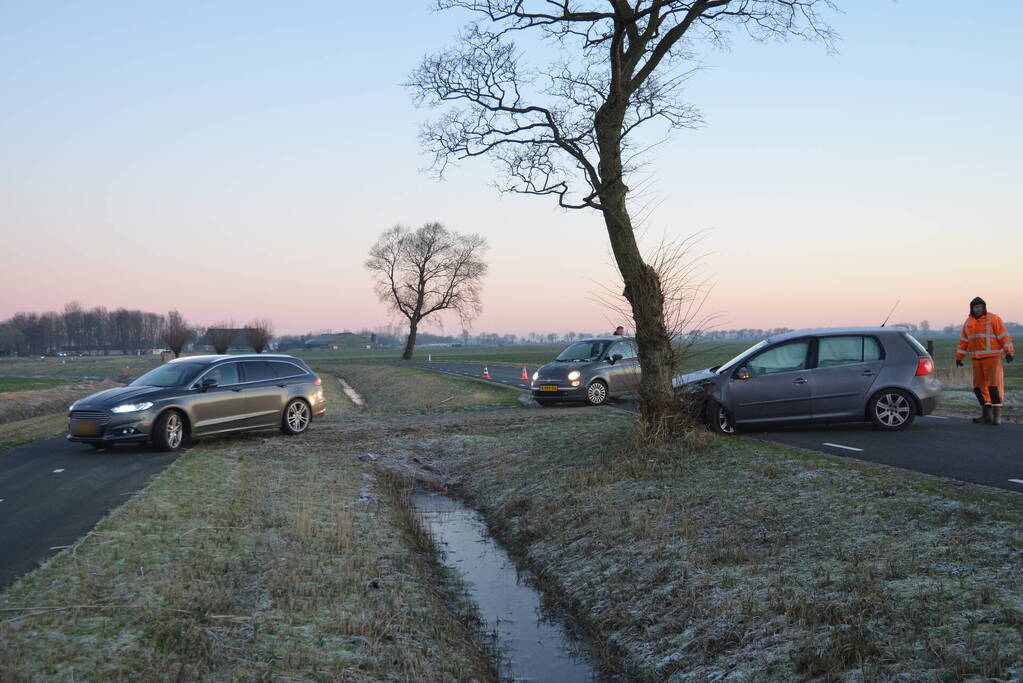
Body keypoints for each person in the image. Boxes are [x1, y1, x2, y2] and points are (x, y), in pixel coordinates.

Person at [956, 297, 1014, 425]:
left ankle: (997, 416)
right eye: (976, 307)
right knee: (978, 388)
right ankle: (986, 415)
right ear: (972, 308)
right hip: (976, 359)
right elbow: (963, 341)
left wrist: (1009, 352)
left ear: (984, 307)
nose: (978, 309)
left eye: (981, 306)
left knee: (994, 387)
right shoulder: (968, 322)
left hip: (992, 358)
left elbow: (1004, 336)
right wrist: (959, 358)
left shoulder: (993, 319)